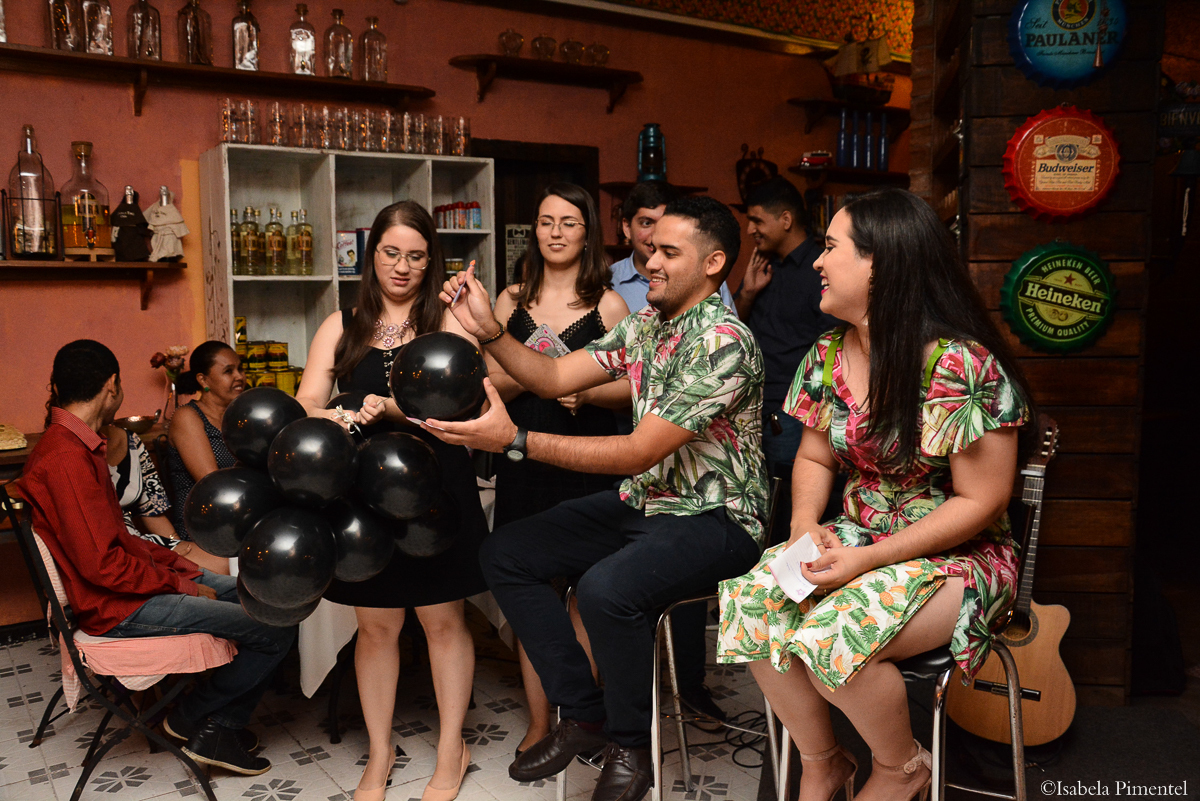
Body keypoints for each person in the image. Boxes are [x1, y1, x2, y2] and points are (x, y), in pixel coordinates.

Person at [424, 196, 768, 801]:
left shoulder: (723, 341)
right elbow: (554, 377)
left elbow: (637, 452)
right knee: (506, 553)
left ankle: (630, 747)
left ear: (713, 263)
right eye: (651, 248)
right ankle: (584, 715)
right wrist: (489, 331)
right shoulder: (649, 323)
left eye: (668, 252)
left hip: (718, 518)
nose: (649, 261)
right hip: (649, 501)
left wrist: (515, 440)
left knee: (606, 589)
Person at [717, 189, 1032, 801]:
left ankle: (900, 767)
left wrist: (868, 559)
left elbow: (982, 502)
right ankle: (822, 761)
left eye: (831, 247)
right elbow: (814, 456)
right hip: (857, 538)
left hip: (957, 558)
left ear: (880, 264)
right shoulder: (829, 353)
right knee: (753, 607)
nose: (816, 261)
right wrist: (804, 523)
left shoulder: (961, 366)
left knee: (831, 637)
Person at [20, 340, 295, 775]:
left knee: (270, 600)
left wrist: (180, 565)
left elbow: (120, 539)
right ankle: (196, 721)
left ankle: (211, 726)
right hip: (118, 606)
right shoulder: (66, 458)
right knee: (272, 626)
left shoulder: (78, 445)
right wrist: (183, 585)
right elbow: (104, 567)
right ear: (112, 386)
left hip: (134, 586)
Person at [295, 200, 488, 801]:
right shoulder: (342, 324)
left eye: (416, 256)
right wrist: (341, 413)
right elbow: (305, 402)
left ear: (431, 261)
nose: (402, 267)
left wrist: (398, 411)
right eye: (390, 253)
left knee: (443, 621)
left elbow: (466, 405)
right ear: (370, 254)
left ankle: (452, 749)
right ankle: (380, 752)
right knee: (376, 627)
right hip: (365, 497)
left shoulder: (448, 322)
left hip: (435, 489)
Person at [489, 182, 630, 755]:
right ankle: (539, 722)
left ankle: (581, 718)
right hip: (522, 460)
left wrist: (588, 392)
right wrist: (541, 376)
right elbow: (487, 381)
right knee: (532, 597)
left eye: (568, 222)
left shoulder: (609, 305)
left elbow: (633, 388)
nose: (555, 232)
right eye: (546, 221)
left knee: (585, 595)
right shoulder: (508, 301)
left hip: (588, 460)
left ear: (586, 232)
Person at [735, 176, 840, 474]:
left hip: (791, 415)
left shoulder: (821, 269)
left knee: (791, 495)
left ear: (785, 220)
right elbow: (731, 328)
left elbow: (833, 346)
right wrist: (747, 293)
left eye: (757, 220)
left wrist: (811, 408)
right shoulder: (761, 265)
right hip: (748, 410)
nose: (750, 229)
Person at [102, 423, 229, 574]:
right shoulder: (79, 450)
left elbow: (151, 509)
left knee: (228, 565)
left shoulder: (131, 440)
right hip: (110, 547)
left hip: (139, 540)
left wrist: (174, 542)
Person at [165, 340, 246, 573]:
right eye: (228, 371)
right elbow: (213, 484)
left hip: (240, 520)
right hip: (204, 528)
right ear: (203, 380)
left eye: (240, 369)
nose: (239, 377)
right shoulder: (188, 417)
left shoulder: (239, 417)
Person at [610, 181, 735, 314]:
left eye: (665, 223)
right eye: (646, 223)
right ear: (627, 228)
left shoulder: (705, 277)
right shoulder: (608, 280)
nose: (656, 234)